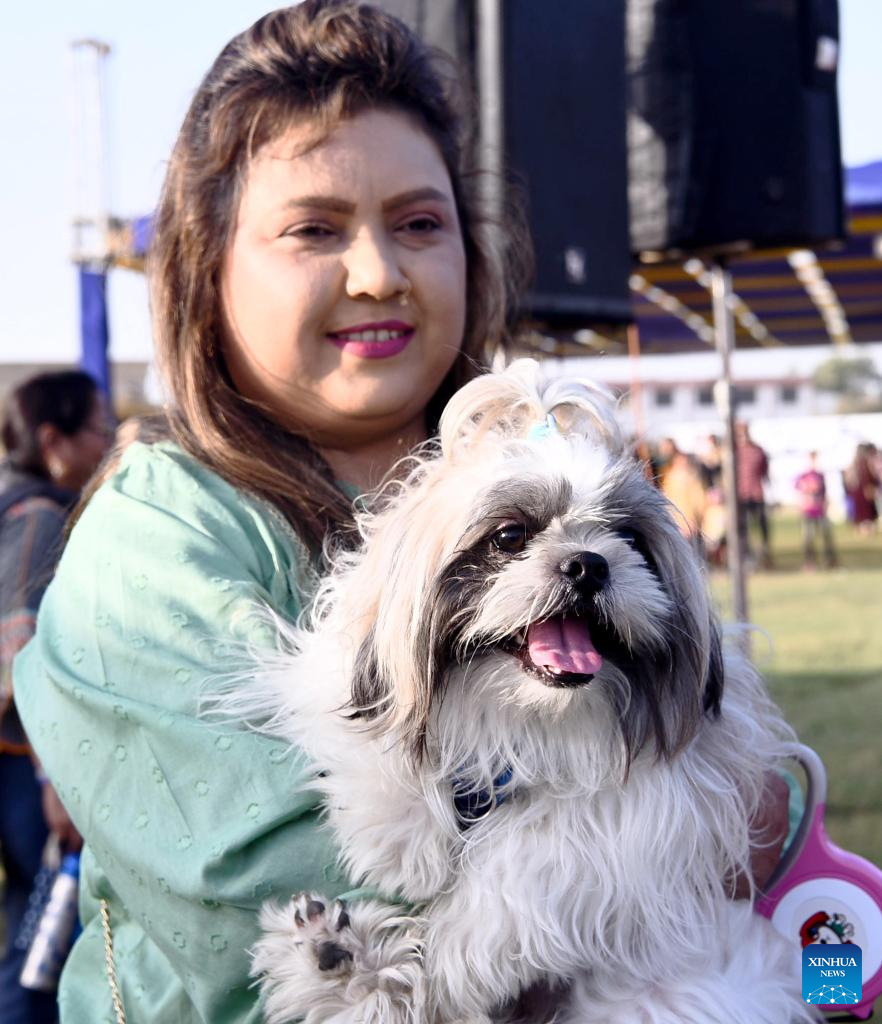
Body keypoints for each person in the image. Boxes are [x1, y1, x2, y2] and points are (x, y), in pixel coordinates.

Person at [12, 5, 790, 1021]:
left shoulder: (539, 453)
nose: (378, 271)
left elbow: (759, 793)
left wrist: (760, 800)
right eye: (314, 229)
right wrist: (694, 825)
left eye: (420, 223)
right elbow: (317, 910)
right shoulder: (154, 541)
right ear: (206, 267)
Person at [0, 370, 109, 1024]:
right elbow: (23, 646)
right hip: (24, 765)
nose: (104, 442)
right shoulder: (40, 518)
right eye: (96, 426)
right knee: (40, 944)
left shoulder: (10, 505)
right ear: (52, 439)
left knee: (30, 928)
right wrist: (53, 772)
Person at [734, 421, 772, 568]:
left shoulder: (757, 450)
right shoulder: (734, 451)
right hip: (740, 496)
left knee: (762, 526)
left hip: (756, 493)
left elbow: (764, 472)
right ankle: (745, 556)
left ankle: (765, 555)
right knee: (742, 528)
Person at [794, 451, 837, 570]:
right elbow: (798, 492)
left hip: (820, 510)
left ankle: (830, 560)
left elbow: (824, 492)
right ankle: (809, 562)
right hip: (808, 511)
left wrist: (826, 504)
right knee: (808, 538)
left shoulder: (820, 475)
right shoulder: (803, 476)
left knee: (826, 535)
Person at [844, 442, 880, 535]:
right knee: (863, 512)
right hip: (860, 492)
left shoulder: (864, 463)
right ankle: (864, 529)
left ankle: (866, 528)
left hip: (862, 491)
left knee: (867, 511)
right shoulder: (860, 464)